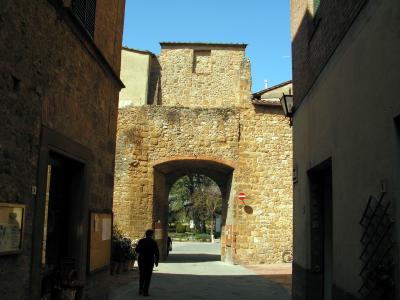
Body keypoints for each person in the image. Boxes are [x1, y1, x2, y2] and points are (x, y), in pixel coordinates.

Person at [135, 229, 159, 297]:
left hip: (141, 260)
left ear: (146, 234)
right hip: (149, 260)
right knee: (148, 276)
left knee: (142, 275)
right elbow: (156, 253)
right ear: (151, 235)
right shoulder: (153, 242)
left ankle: (140, 289)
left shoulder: (141, 241)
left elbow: (137, 250)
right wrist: (157, 261)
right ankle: (145, 291)